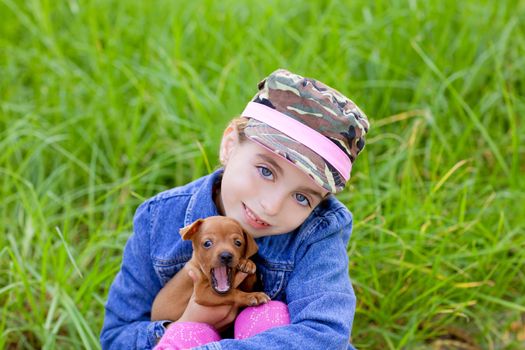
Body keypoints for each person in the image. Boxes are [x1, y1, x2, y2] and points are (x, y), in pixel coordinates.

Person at [100, 68, 370, 349]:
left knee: (270, 317)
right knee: (184, 336)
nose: (271, 206)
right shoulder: (159, 219)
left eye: (302, 197)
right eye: (266, 171)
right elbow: (117, 336)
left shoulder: (317, 232)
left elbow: (325, 332)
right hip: (183, 335)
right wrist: (181, 327)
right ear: (230, 145)